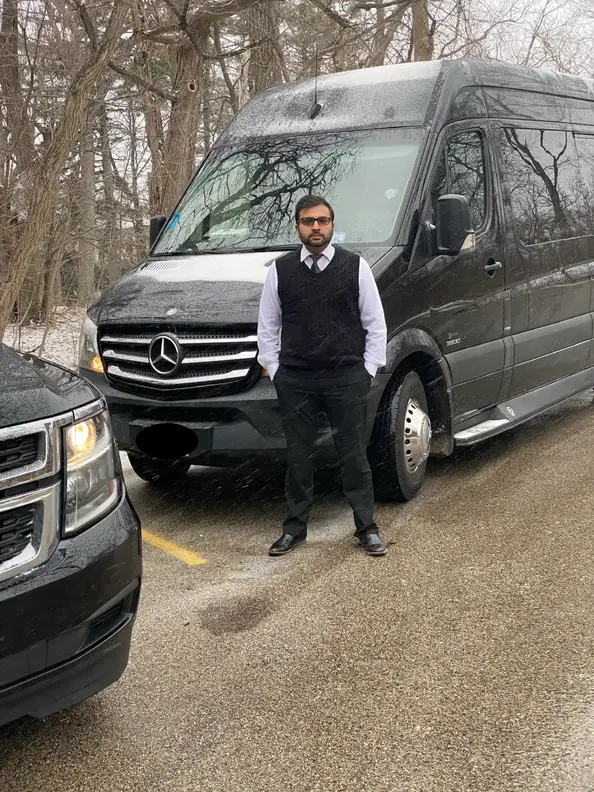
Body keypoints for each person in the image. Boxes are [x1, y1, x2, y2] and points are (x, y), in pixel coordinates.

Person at [257, 195, 388, 557]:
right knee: (299, 458)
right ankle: (295, 529)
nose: (316, 227)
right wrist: (276, 371)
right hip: (296, 380)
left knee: (353, 456)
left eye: (323, 220)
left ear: (332, 224)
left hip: (346, 377)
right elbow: (267, 327)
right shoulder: (279, 271)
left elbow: (375, 324)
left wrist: (368, 370)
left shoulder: (355, 267)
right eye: (308, 221)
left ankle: (367, 527)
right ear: (297, 226)